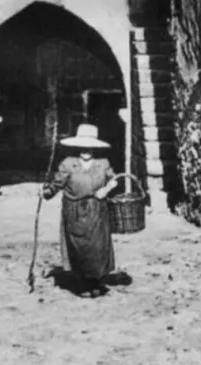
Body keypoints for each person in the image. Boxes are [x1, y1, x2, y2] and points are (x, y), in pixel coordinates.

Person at [42, 123, 119, 298]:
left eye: (89, 147)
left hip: (97, 209)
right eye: (83, 147)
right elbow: (57, 184)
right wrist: (47, 192)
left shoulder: (103, 163)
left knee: (97, 247)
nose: (86, 151)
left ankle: (95, 282)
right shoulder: (68, 164)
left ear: (94, 148)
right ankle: (83, 283)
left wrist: (105, 190)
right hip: (74, 211)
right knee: (79, 247)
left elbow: (115, 180)